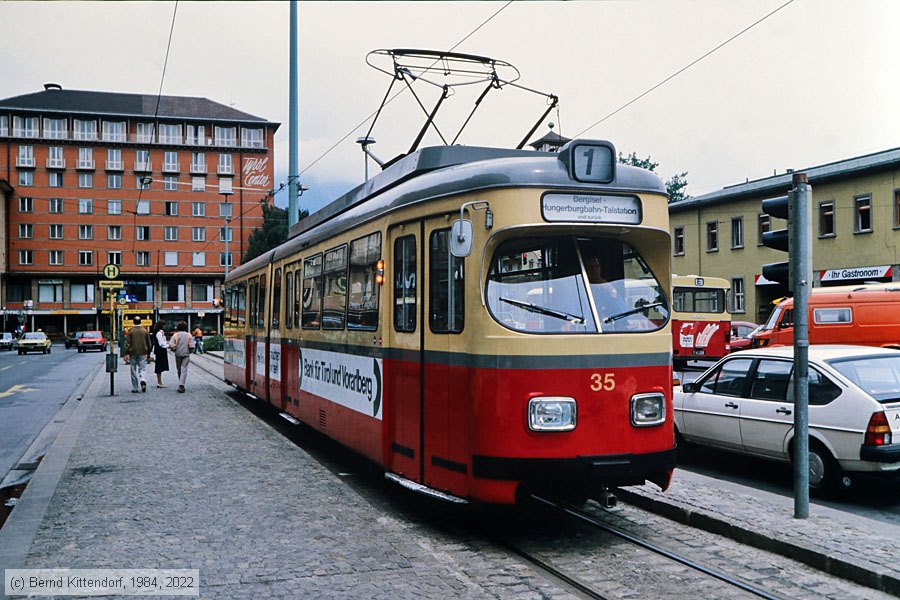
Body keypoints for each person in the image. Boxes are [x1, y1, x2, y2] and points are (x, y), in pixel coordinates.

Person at [124, 316, 152, 393]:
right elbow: (149, 343)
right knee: (142, 368)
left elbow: (127, 344)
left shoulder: (130, 331)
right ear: (140, 322)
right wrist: (148, 353)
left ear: (133, 322)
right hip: (143, 352)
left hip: (132, 352)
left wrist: (126, 353)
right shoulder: (145, 331)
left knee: (133, 369)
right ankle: (143, 380)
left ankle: (135, 388)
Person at [168, 321, 195, 393]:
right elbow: (192, 345)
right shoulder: (188, 335)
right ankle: (181, 384)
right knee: (184, 369)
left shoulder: (175, 335)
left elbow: (171, 345)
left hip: (178, 354)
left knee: (179, 369)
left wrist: (174, 349)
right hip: (186, 354)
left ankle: (181, 383)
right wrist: (190, 351)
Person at [152, 321, 170, 388]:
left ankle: (159, 382)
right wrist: (168, 346)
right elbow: (161, 343)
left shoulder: (160, 332)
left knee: (159, 366)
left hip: (160, 350)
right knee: (159, 366)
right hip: (160, 351)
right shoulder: (159, 333)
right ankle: (159, 382)